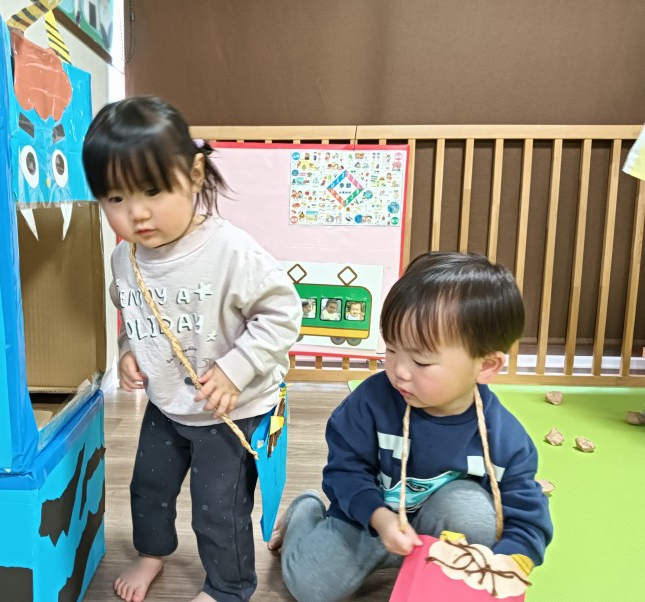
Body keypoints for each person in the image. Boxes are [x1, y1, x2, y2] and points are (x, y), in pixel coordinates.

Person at [82, 96, 302, 602]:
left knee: (217, 508)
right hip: (167, 406)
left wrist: (236, 369)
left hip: (232, 411)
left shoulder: (231, 251)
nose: (137, 212)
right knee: (148, 487)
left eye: (153, 190)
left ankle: (229, 586)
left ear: (195, 175)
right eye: (115, 198)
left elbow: (283, 312)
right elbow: (131, 312)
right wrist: (128, 350)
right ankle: (151, 553)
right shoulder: (124, 259)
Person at [268, 252, 553, 602]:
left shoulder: (504, 438)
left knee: (476, 516)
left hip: (442, 535)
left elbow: (526, 513)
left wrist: (511, 560)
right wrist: (379, 517)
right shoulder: (369, 404)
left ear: (486, 366)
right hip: (368, 522)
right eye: (391, 350)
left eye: (421, 360)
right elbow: (345, 471)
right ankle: (304, 512)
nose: (400, 371)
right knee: (311, 588)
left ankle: (426, 568)